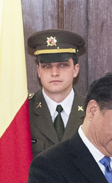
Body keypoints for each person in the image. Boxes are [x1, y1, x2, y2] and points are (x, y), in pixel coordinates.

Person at [26, 29, 86, 157]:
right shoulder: (24, 112)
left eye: (63, 65)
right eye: (47, 66)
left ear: (75, 70)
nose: (54, 73)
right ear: (38, 71)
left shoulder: (92, 111)